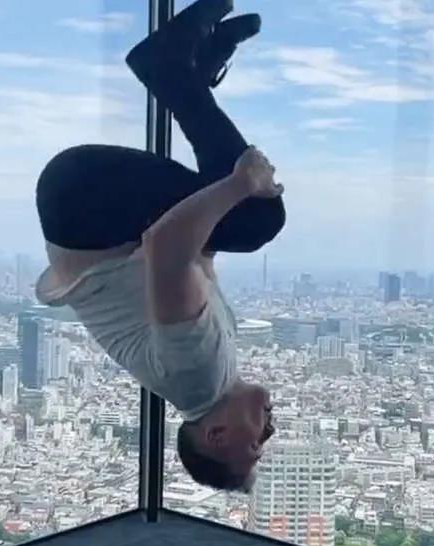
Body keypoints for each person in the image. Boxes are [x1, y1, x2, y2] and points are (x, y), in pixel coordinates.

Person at [34, 0, 283, 492]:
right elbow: (201, 252)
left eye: (257, 446)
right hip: (83, 205)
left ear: (216, 436)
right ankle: (189, 73)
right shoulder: (211, 376)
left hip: (89, 203)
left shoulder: (198, 373)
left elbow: (167, 242)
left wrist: (243, 183)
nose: (270, 433)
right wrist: (231, 189)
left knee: (257, 217)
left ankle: (171, 68)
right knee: (242, 215)